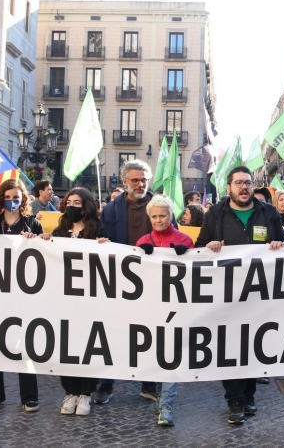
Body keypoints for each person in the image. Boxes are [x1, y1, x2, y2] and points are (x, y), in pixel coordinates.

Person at [195, 165, 284, 424]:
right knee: (230, 346)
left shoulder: (268, 213)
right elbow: (198, 249)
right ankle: (234, 399)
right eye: (238, 183)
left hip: (260, 295)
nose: (244, 187)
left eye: (248, 182)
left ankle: (249, 394)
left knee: (253, 346)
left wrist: (279, 244)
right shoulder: (215, 214)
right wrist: (209, 247)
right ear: (229, 188)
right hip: (226, 295)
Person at [99, 159, 174, 404]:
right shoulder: (110, 210)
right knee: (113, 332)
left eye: (144, 180)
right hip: (119, 281)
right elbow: (102, 238)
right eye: (135, 180)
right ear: (125, 181)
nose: (141, 184)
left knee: (150, 333)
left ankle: (149, 384)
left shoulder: (161, 205)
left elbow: (174, 236)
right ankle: (106, 384)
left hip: (152, 282)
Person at [0, 179, 46, 413]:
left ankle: (29, 396)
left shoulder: (33, 223)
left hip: (25, 294)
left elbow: (45, 254)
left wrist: (40, 241)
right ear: (0, 198)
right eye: (8, 196)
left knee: (25, 343)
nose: (13, 201)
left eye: (17, 197)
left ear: (23, 199)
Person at [135, 195, 194, 426]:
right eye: (154, 216)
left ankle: (167, 403)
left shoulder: (185, 240)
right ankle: (159, 396)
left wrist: (188, 256)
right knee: (153, 353)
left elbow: (197, 274)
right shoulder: (142, 241)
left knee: (171, 355)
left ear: (171, 216)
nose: (158, 220)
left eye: (163, 215)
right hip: (149, 307)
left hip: (176, 307)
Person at [52, 187, 107, 416]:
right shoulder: (60, 230)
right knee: (66, 344)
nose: (73, 206)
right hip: (65, 298)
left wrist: (107, 245)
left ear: (86, 207)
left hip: (92, 298)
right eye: (70, 202)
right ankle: (70, 391)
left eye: (78, 203)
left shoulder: (99, 230)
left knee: (89, 345)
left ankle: (85, 392)